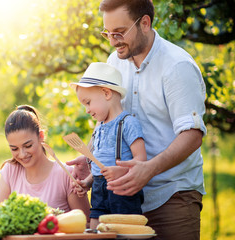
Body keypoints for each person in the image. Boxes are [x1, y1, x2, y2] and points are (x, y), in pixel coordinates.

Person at [67, 0, 207, 239]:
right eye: (107, 33)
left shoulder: (177, 66)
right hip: (121, 200)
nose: (112, 41)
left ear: (144, 23)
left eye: (119, 33)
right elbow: (108, 120)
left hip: (171, 196)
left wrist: (148, 170)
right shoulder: (113, 63)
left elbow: (192, 135)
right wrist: (93, 154)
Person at [69, 62, 147, 229]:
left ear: (106, 93)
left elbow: (141, 160)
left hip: (122, 189)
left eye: (88, 102)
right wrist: (88, 182)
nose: (87, 110)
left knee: (123, 229)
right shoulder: (99, 129)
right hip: (98, 188)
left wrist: (123, 170)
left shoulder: (128, 123)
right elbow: (99, 165)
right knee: (96, 226)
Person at [0, 105, 90, 219]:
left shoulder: (67, 174)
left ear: (41, 136)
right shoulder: (10, 170)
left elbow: (86, 224)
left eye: (28, 146)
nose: (22, 154)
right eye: (14, 149)